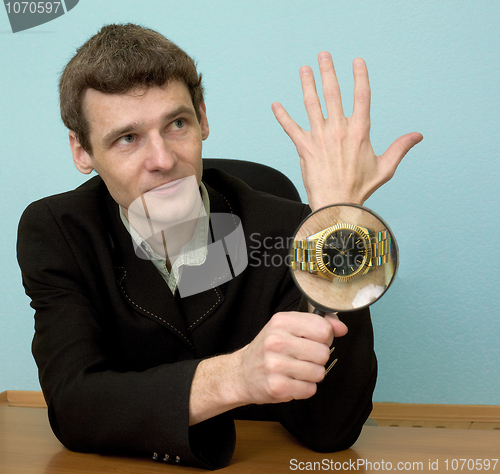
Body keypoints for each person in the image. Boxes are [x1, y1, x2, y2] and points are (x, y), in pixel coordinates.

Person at [17, 23, 422, 470]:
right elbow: (75, 404)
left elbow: (331, 428)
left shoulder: (296, 230)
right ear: (82, 151)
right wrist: (234, 378)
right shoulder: (56, 231)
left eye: (176, 124)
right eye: (127, 138)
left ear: (203, 119)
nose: (163, 160)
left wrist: (337, 221)